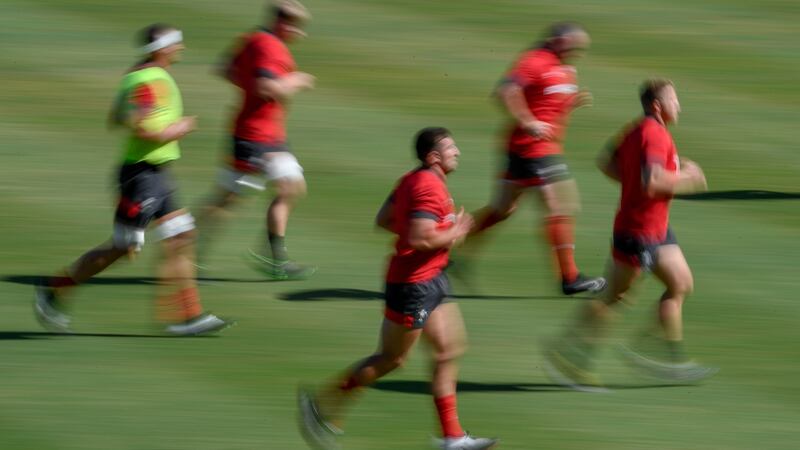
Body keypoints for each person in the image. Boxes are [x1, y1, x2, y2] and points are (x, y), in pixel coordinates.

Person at [297, 128, 497, 450]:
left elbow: (385, 218)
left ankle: (452, 437)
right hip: (412, 286)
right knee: (392, 359)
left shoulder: (413, 179)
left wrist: (435, 233)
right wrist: (455, 232)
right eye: (451, 148)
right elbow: (421, 238)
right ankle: (322, 403)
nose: (458, 151)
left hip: (433, 278)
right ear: (434, 157)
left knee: (449, 350)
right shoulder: (428, 187)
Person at [34, 24, 228, 336]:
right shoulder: (149, 80)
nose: (182, 48)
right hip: (142, 177)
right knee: (124, 247)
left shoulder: (139, 74)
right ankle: (55, 288)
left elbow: (115, 117)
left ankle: (189, 316)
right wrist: (178, 129)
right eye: (177, 42)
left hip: (157, 174)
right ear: (161, 48)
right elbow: (142, 129)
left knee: (181, 236)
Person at [543, 78, 716, 391]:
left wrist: (634, 187)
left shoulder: (636, 129)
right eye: (674, 100)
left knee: (680, 284)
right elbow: (652, 182)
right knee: (614, 299)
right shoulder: (655, 135)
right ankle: (567, 356)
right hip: (638, 233)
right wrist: (688, 178)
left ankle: (664, 355)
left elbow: (606, 163)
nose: (679, 106)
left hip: (656, 228)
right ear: (657, 105)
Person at [456, 22, 605, 295]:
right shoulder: (535, 60)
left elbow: (545, 100)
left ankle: (444, 253)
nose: (577, 52)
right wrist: (528, 122)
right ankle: (570, 277)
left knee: (502, 209)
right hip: (533, 148)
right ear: (555, 40)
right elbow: (505, 92)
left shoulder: (565, 67)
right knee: (562, 205)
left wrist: (571, 103)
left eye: (580, 48)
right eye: (573, 45)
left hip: (529, 148)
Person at [195, 0, 316, 280]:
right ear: (282, 23)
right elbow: (267, 87)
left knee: (248, 195)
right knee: (277, 189)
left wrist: (251, 88)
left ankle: (271, 256)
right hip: (256, 136)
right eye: (297, 27)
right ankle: (185, 246)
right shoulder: (270, 46)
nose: (301, 34)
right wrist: (296, 81)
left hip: (264, 133)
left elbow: (226, 69)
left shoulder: (252, 39)